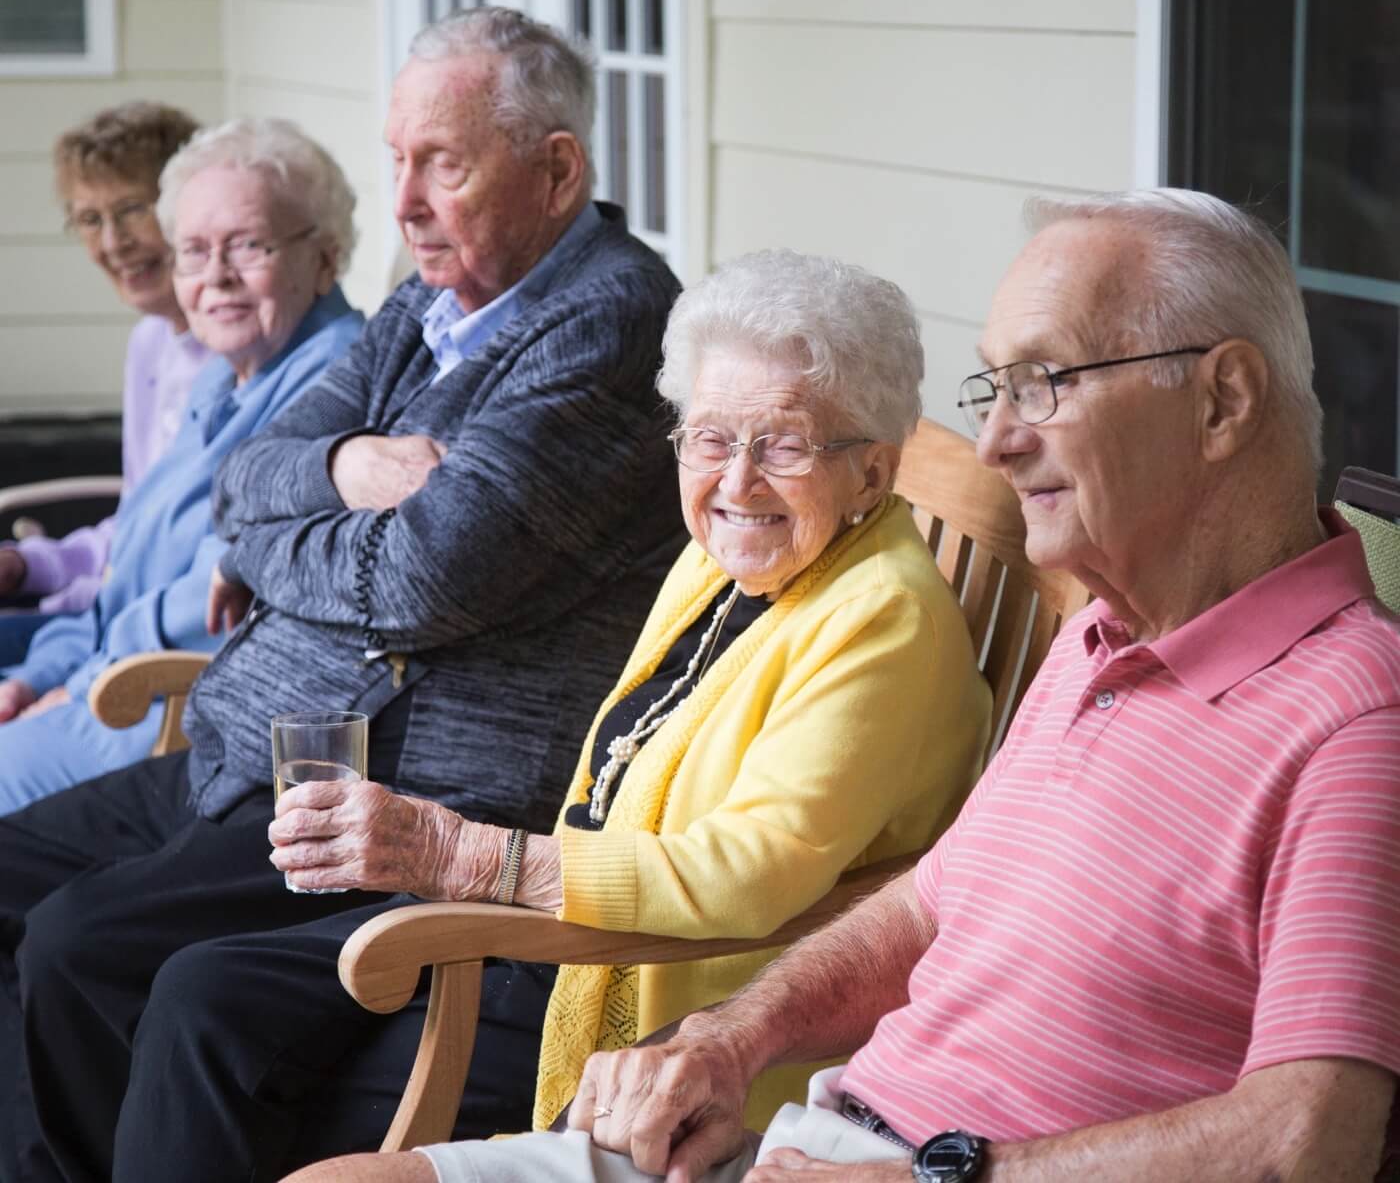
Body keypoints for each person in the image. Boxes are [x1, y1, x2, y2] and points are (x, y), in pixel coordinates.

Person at [304, 189, 1400, 1183]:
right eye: (994, 386)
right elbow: (929, 903)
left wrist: (942, 1178)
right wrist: (731, 1037)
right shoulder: (1100, 638)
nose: (998, 441)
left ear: (1220, 401)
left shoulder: (1354, 720)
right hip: (819, 1139)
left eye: (1042, 383)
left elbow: (1307, 1136)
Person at [0, 6, 686, 1183]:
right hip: (247, 740)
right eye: (398, 161)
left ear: (556, 169)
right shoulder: (429, 305)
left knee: (83, 944)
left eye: (444, 164)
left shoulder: (607, 323)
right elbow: (243, 480)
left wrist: (292, 524)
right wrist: (343, 469)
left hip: (391, 780)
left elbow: (425, 578)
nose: (408, 200)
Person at [0, 117, 364, 813]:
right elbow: (124, 570)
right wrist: (41, 672)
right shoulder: (224, 377)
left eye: (247, 247)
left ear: (325, 256)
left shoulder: (337, 380)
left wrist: (73, 688)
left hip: (166, 717)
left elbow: (220, 595)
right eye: (194, 252)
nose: (216, 276)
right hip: (99, 683)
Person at [0, 102, 210, 666]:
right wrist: (26, 565)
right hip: (97, 611)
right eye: (89, 219)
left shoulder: (236, 359)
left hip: (142, 644)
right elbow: (139, 525)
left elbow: (182, 565)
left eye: (132, 210)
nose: (112, 242)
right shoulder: (151, 342)